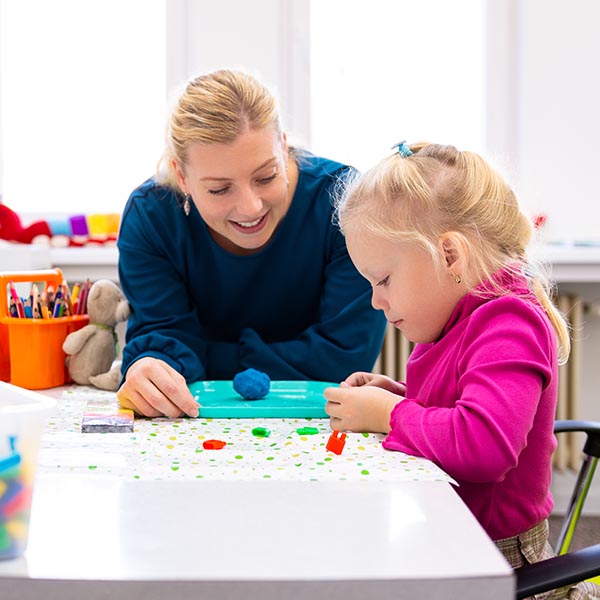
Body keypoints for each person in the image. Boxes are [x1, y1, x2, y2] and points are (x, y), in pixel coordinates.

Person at [323, 141, 600, 597]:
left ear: (449, 255)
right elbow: (458, 404)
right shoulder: (460, 315)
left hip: (500, 563)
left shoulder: (509, 321)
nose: (375, 301)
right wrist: (396, 395)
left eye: (384, 279)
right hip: (452, 538)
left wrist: (389, 415)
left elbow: (484, 444)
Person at [116, 69, 386, 419]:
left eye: (266, 176)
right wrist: (150, 368)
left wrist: (202, 357)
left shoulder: (346, 202)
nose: (251, 207)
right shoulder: (151, 217)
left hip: (322, 420)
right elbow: (163, 340)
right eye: (219, 189)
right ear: (181, 176)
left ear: (283, 145)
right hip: (196, 424)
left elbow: (344, 358)